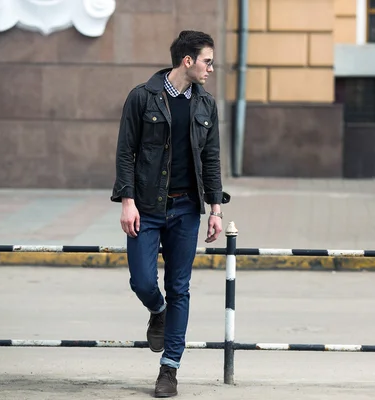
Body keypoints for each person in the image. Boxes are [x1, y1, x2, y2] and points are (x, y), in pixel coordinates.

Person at [110, 30, 229, 398]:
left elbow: (210, 160)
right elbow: (125, 152)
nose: (212, 67)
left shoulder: (206, 105)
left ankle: (169, 371)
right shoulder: (142, 97)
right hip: (146, 207)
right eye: (207, 60)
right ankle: (156, 310)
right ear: (188, 61)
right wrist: (127, 201)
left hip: (186, 209)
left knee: (180, 288)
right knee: (143, 281)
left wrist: (215, 209)